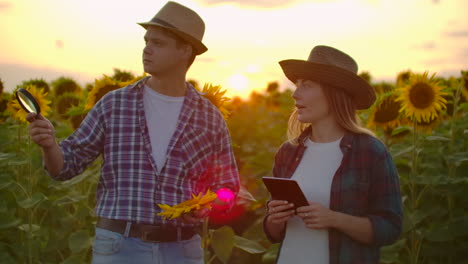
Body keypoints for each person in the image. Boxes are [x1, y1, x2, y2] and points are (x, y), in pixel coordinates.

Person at [26, 2, 240, 263]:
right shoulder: (114, 104)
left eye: (158, 43)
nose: (146, 49)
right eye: (146, 41)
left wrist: (206, 206)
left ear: (185, 50)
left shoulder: (210, 117)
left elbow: (227, 189)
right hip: (120, 246)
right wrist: (49, 145)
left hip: (182, 249)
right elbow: (65, 167)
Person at [263, 45, 402, 264]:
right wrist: (275, 219)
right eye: (297, 85)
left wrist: (335, 219)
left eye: (306, 86)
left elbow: (390, 229)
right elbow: (273, 233)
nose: (295, 94)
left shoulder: (370, 152)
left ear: (333, 92)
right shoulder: (288, 153)